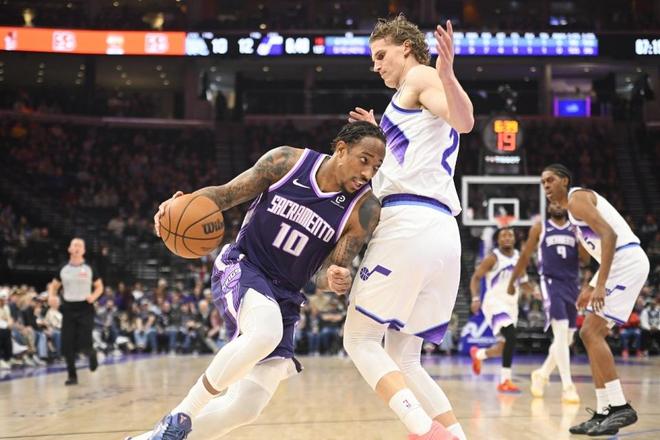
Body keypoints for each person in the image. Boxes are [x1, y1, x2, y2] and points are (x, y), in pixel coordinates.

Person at [130, 121, 386, 440]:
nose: (368, 173)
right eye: (364, 160)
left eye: (376, 167)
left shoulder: (365, 208)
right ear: (342, 149)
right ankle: (180, 416)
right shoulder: (287, 162)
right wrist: (178, 207)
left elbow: (326, 272)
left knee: (245, 407)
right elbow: (224, 195)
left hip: (286, 297)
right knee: (266, 331)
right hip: (245, 266)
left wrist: (334, 277)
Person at [344, 15, 473, 440]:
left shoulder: (421, 76)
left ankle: (423, 430)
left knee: (359, 340)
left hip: (409, 224)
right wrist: (381, 130)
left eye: (381, 55)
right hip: (442, 231)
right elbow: (414, 150)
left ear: (406, 47)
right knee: (404, 359)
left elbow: (464, 120)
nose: (376, 65)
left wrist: (447, 75)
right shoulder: (406, 99)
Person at [541, 164, 650, 436]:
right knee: (588, 334)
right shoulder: (572, 210)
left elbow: (610, 235)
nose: (546, 186)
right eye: (543, 183)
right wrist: (591, 286)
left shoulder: (577, 199)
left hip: (627, 261)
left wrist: (600, 285)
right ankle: (604, 410)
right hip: (616, 265)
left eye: (550, 180)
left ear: (564, 180)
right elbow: (602, 249)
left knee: (591, 332)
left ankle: (620, 406)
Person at [506, 202, 590, 403]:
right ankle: (568, 387)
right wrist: (512, 281)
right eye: (553, 203)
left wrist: (582, 236)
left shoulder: (575, 228)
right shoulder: (540, 227)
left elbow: (586, 260)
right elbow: (525, 256)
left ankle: (542, 374)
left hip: (572, 285)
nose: (557, 205)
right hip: (550, 283)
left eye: (561, 203)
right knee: (560, 333)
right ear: (548, 206)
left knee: (567, 339)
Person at [469, 227, 533, 393]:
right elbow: (476, 278)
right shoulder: (493, 258)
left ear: (514, 239)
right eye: (503, 235)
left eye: (510, 235)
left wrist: (536, 292)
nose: (507, 238)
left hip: (512, 306)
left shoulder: (519, 258)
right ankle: (505, 381)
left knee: (503, 348)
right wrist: (475, 298)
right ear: (497, 240)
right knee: (511, 336)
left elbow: (524, 282)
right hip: (494, 303)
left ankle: (479, 354)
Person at [47, 237, 104, 385]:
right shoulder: (63, 268)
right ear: (69, 249)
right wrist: (51, 297)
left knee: (84, 343)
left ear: (83, 250)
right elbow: (54, 286)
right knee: (67, 344)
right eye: (75, 245)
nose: (77, 247)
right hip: (68, 308)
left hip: (85, 307)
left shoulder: (90, 268)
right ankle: (72, 376)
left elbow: (99, 286)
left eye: (80, 246)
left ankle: (92, 353)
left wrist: (93, 296)